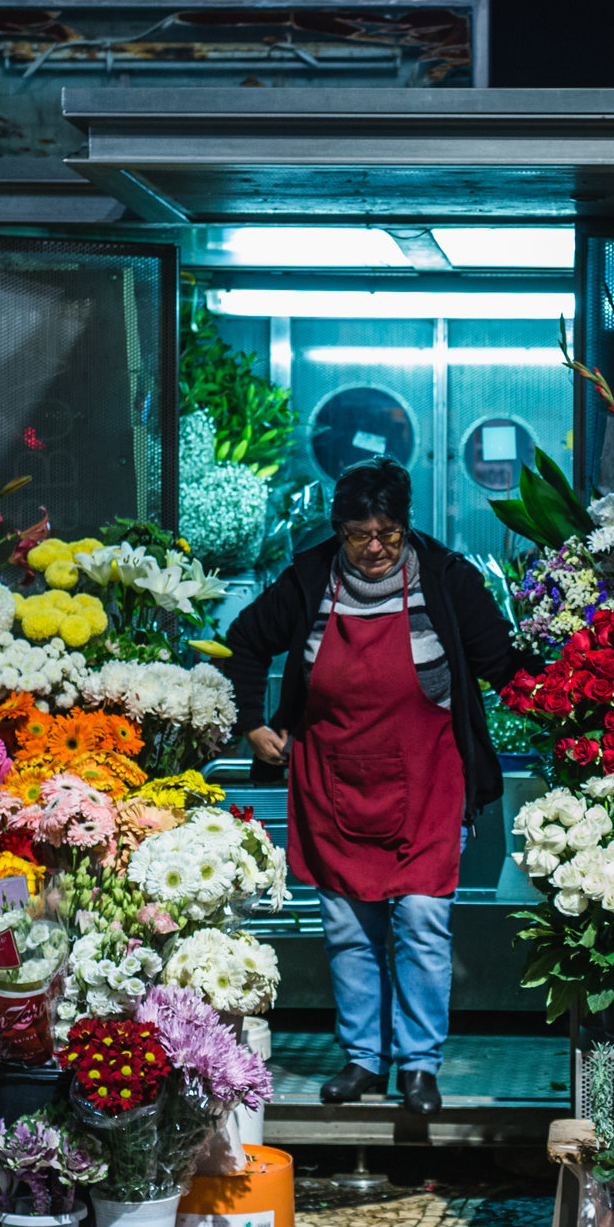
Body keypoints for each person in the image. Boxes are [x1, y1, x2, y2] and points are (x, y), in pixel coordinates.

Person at [219, 459, 520, 1115]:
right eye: (359, 535)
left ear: (406, 525)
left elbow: (500, 661)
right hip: (332, 781)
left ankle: (418, 1065)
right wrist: (251, 725)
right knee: (349, 928)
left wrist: (577, 692)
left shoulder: (445, 578)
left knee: (422, 919)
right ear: (340, 531)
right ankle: (361, 1059)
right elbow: (242, 643)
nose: (374, 547)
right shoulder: (307, 579)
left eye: (386, 532)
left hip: (431, 778)